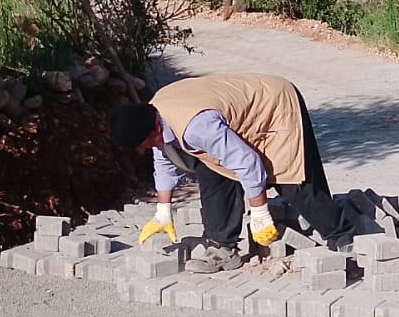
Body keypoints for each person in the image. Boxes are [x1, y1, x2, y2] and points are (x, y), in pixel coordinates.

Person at [108, 73, 355, 273]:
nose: (146, 150)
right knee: (211, 169)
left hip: (274, 106)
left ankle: (344, 237)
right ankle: (223, 248)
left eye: (145, 145)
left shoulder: (196, 127)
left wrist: (259, 211)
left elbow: (247, 163)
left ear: (154, 132)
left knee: (292, 180)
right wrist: (163, 210)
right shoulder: (155, 116)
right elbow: (164, 160)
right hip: (236, 116)